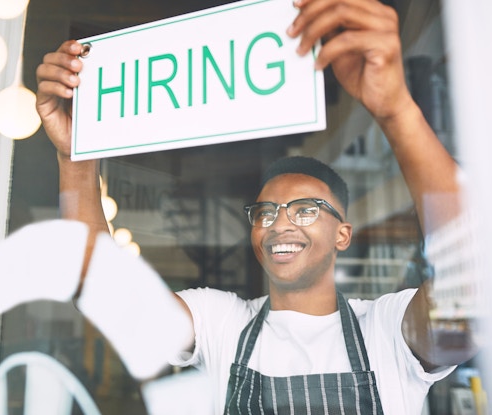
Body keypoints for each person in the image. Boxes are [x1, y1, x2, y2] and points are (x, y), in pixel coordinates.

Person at [35, 0, 477, 413]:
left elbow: (469, 287)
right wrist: (76, 158)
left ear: (343, 233)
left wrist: (396, 110)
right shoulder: (222, 323)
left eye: (305, 209)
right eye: (265, 213)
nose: (279, 224)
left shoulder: (386, 330)